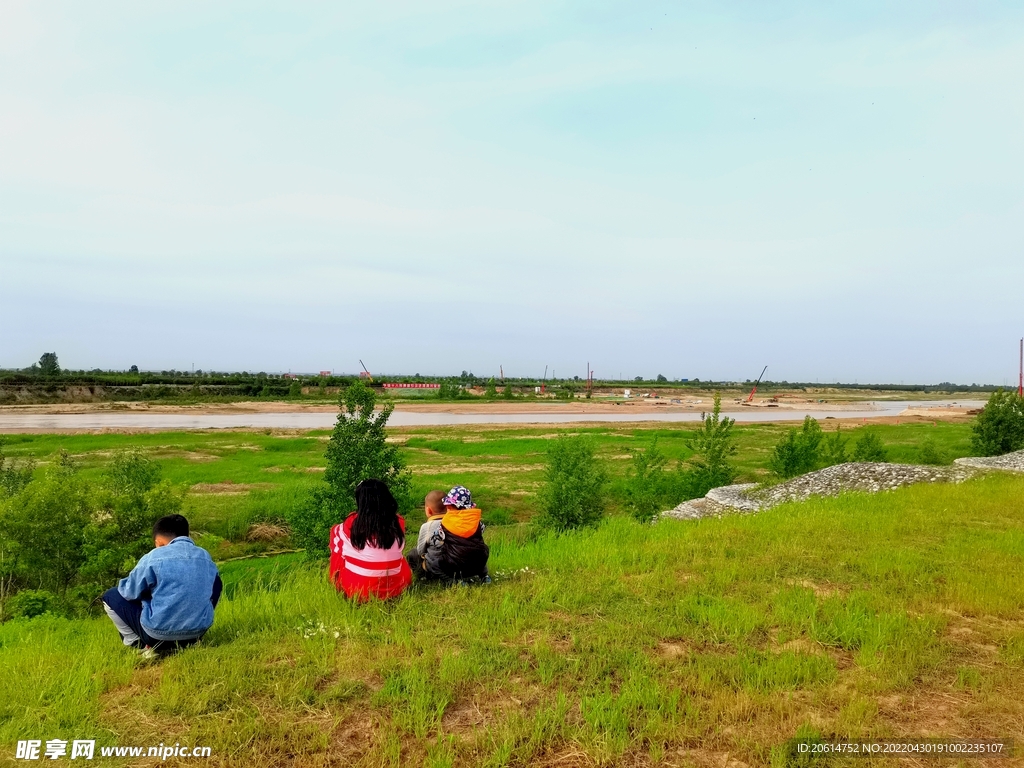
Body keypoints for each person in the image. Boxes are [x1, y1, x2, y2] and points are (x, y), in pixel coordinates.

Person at [101, 514, 222, 658]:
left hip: (157, 636)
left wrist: (146, 595)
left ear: (158, 542)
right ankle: (190, 635)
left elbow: (129, 592)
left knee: (111, 595)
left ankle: (139, 646)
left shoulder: (154, 557)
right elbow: (213, 589)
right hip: (197, 633)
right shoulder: (205, 556)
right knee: (216, 583)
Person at [329, 479, 412, 601]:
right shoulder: (398, 522)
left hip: (358, 591)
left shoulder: (350, 524)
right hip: (397, 588)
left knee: (339, 550)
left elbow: (337, 549)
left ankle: (338, 586)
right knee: (399, 557)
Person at [410, 485, 489, 583]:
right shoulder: (476, 523)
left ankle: (446, 581)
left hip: (451, 566)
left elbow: (422, 550)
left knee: (416, 554)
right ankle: (484, 575)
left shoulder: (444, 524)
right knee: (479, 549)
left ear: (448, 506)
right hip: (474, 565)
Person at [406, 490, 446, 578]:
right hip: (453, 565)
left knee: (413, 553)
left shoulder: (427, 527)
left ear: (428, 510)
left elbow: (420, 550)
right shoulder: (454, 523)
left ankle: (422, 575)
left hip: (434, 567)